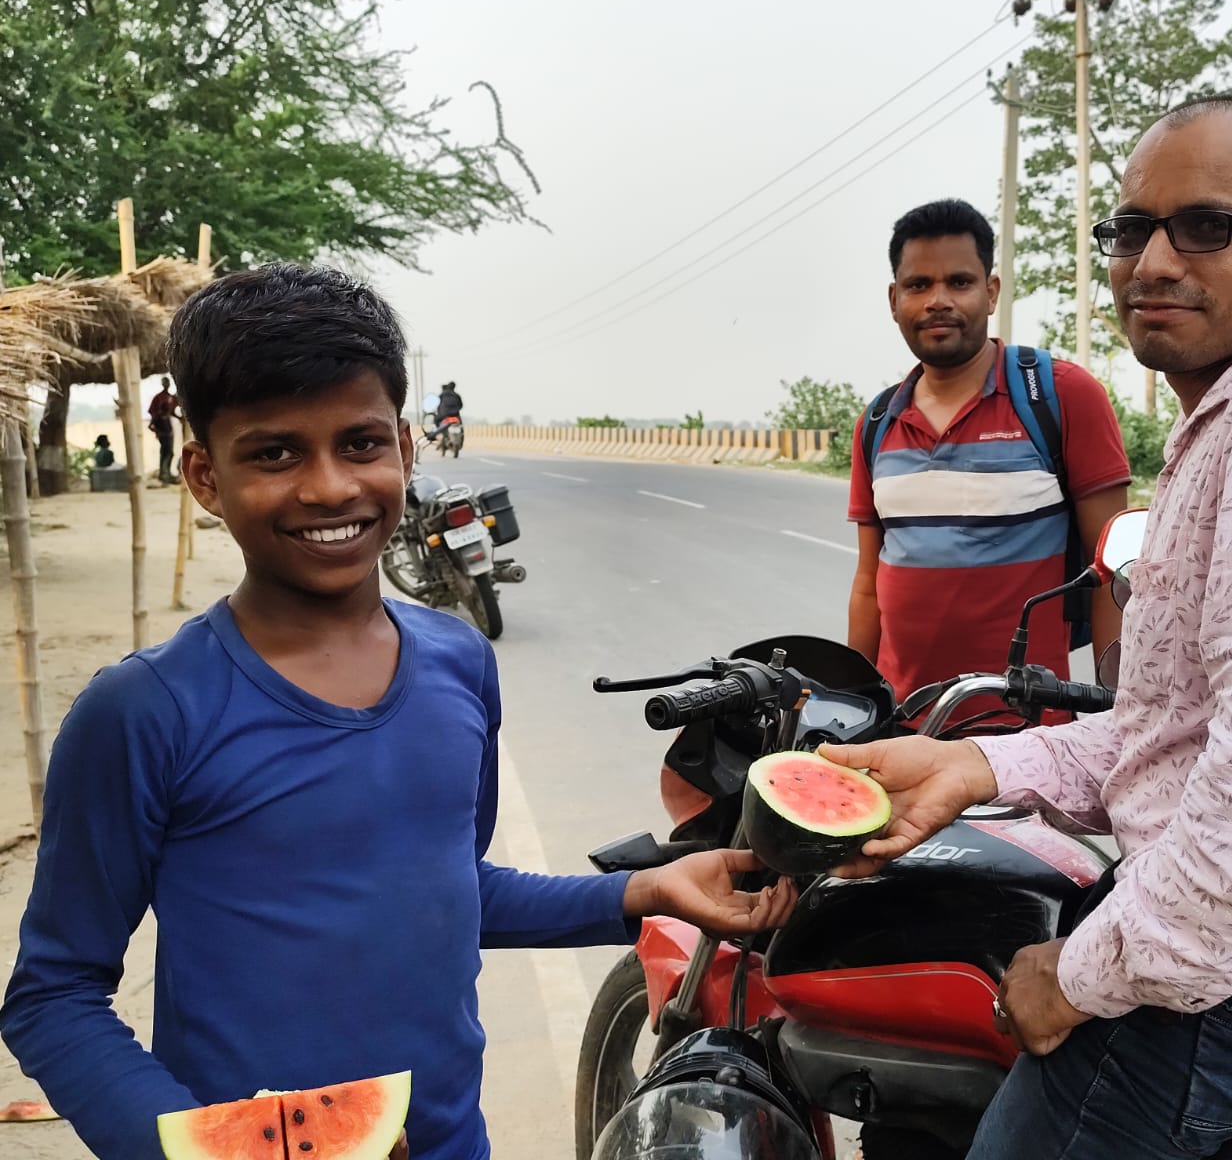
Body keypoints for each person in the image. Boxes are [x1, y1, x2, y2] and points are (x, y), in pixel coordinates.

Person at [0, 263, 796, 1160]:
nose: (329, 486)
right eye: (273, 453)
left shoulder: (461, 663)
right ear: (203, 475)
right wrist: (203, 1148)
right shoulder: (144, 712)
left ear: (407, 452)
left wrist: (641, 892)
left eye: (361, 443)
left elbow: (444, 887)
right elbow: (53, 995)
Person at [822, 97, 1232, 1159]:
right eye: (1130, 229)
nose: (1153, 260)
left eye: (1206, 227)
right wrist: (972, 766)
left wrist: (1080, 976)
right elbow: (1175, 728)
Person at [847, 198, 1130, 710]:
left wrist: (1117, 710)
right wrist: (852, 705)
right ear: (894, 300)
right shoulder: (877, 422)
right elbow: (869, 586)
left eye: (959, 282)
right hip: (901, 730)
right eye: (918, 285)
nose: (937, 300)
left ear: (991, 291)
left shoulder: (1061, 396)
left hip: (1027, 737)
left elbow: (1112, 573)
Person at [147, 376, 181, 484]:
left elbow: (172, 412)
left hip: (169, 430)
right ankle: (164, 473)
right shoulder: (159, 398)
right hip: (163, 431)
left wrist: (180, 418)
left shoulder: (170, 397)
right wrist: (157, 430)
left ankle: (166, 472)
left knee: (169, 452)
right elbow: (153, 418)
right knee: (166, 451)